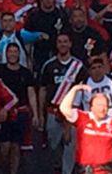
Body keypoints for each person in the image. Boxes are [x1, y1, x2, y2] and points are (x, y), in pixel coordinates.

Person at [39, 33, 87, 174]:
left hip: (72, 113)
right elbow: (43, 89)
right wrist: (41, 113)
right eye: (60, 42)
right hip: (53, 112)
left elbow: (81, 92)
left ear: (70, 44)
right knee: (53, 147)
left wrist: (72, 117)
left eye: (65, 41)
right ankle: (57, 168)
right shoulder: (48, 65)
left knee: (70, 146)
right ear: (56, 44)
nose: (63, 44)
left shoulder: (78, 66)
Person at [59, 84, 112, 173]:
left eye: (105, 105)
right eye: (99, 105)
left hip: (106, 169)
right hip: (84, 169)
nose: (102, 109)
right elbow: (64, 108)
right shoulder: (82, 118)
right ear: (91, 107)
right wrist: (75, 89)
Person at [0, 43, 38, 174]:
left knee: (16, 147)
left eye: (15, 51)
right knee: (4, 147)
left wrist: (35, 114)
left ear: (19, 54)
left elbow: (31, 93)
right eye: (10, 51)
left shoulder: (26, 73)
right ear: (6, 54)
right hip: (3, 113)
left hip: (21, 114)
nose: (13, 54)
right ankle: (1, 170)